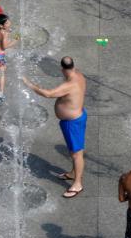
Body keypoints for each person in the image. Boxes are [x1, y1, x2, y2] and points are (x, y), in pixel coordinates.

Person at [23, 56, 86, 198]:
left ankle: (77, 184)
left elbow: (48, 94)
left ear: (63, 69)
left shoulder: (68, 85)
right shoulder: (79, 74)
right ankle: (73, 173)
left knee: (77, 154)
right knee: (74, 151)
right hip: (77, 116)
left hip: (73, 123)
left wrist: (29, 84)